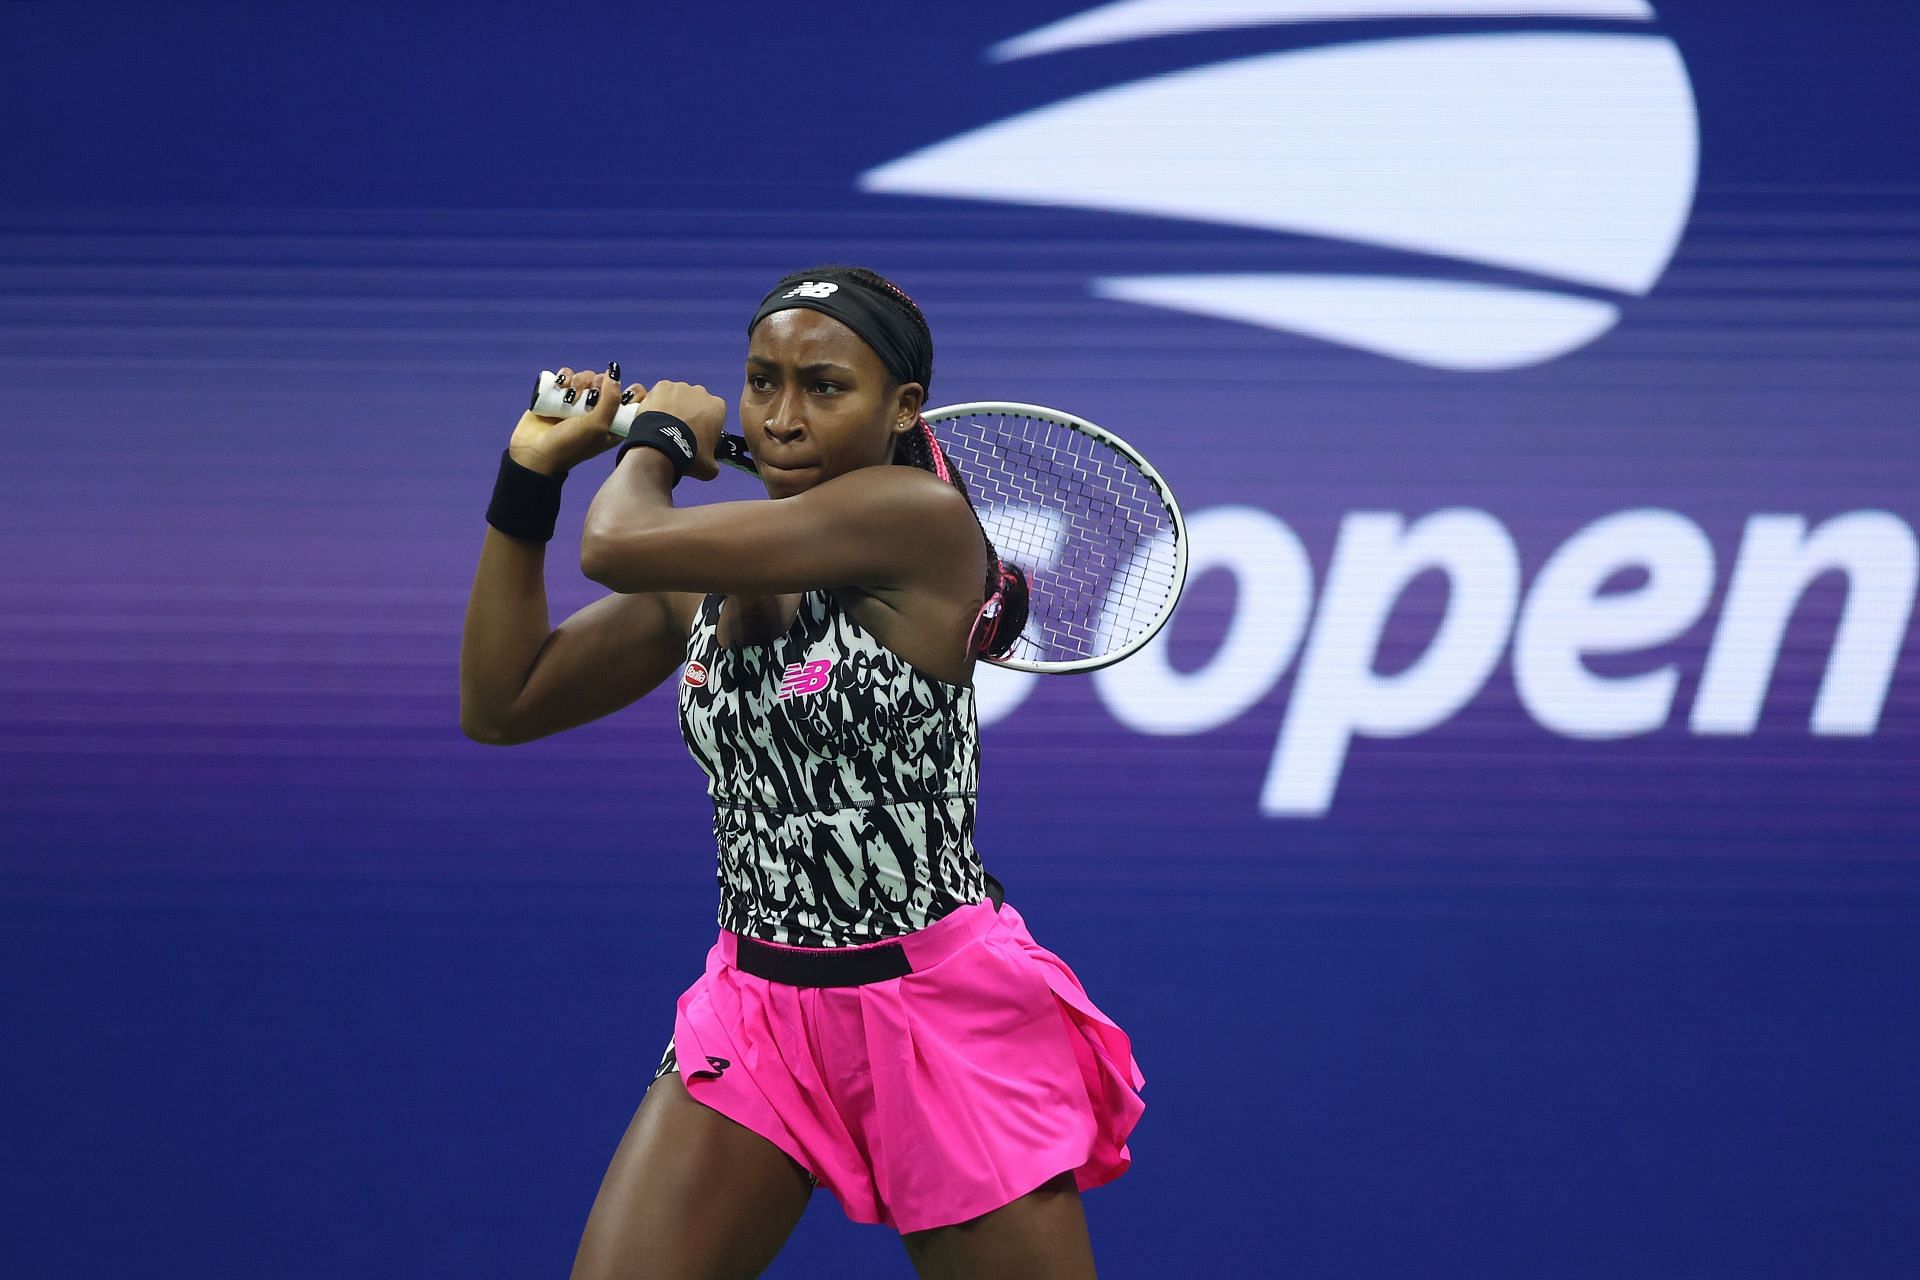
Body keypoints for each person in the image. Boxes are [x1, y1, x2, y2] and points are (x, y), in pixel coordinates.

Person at [460, 266, 1144, 1279]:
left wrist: (654, 441)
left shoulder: (916, 519)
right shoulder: (710, 562)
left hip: (937, 1008)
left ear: (901, 408)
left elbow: (617, 542)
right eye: (762, 381)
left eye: (825, 386)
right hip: (758, 1009)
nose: (782, 417)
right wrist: (529, 477)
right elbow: (503, 700)